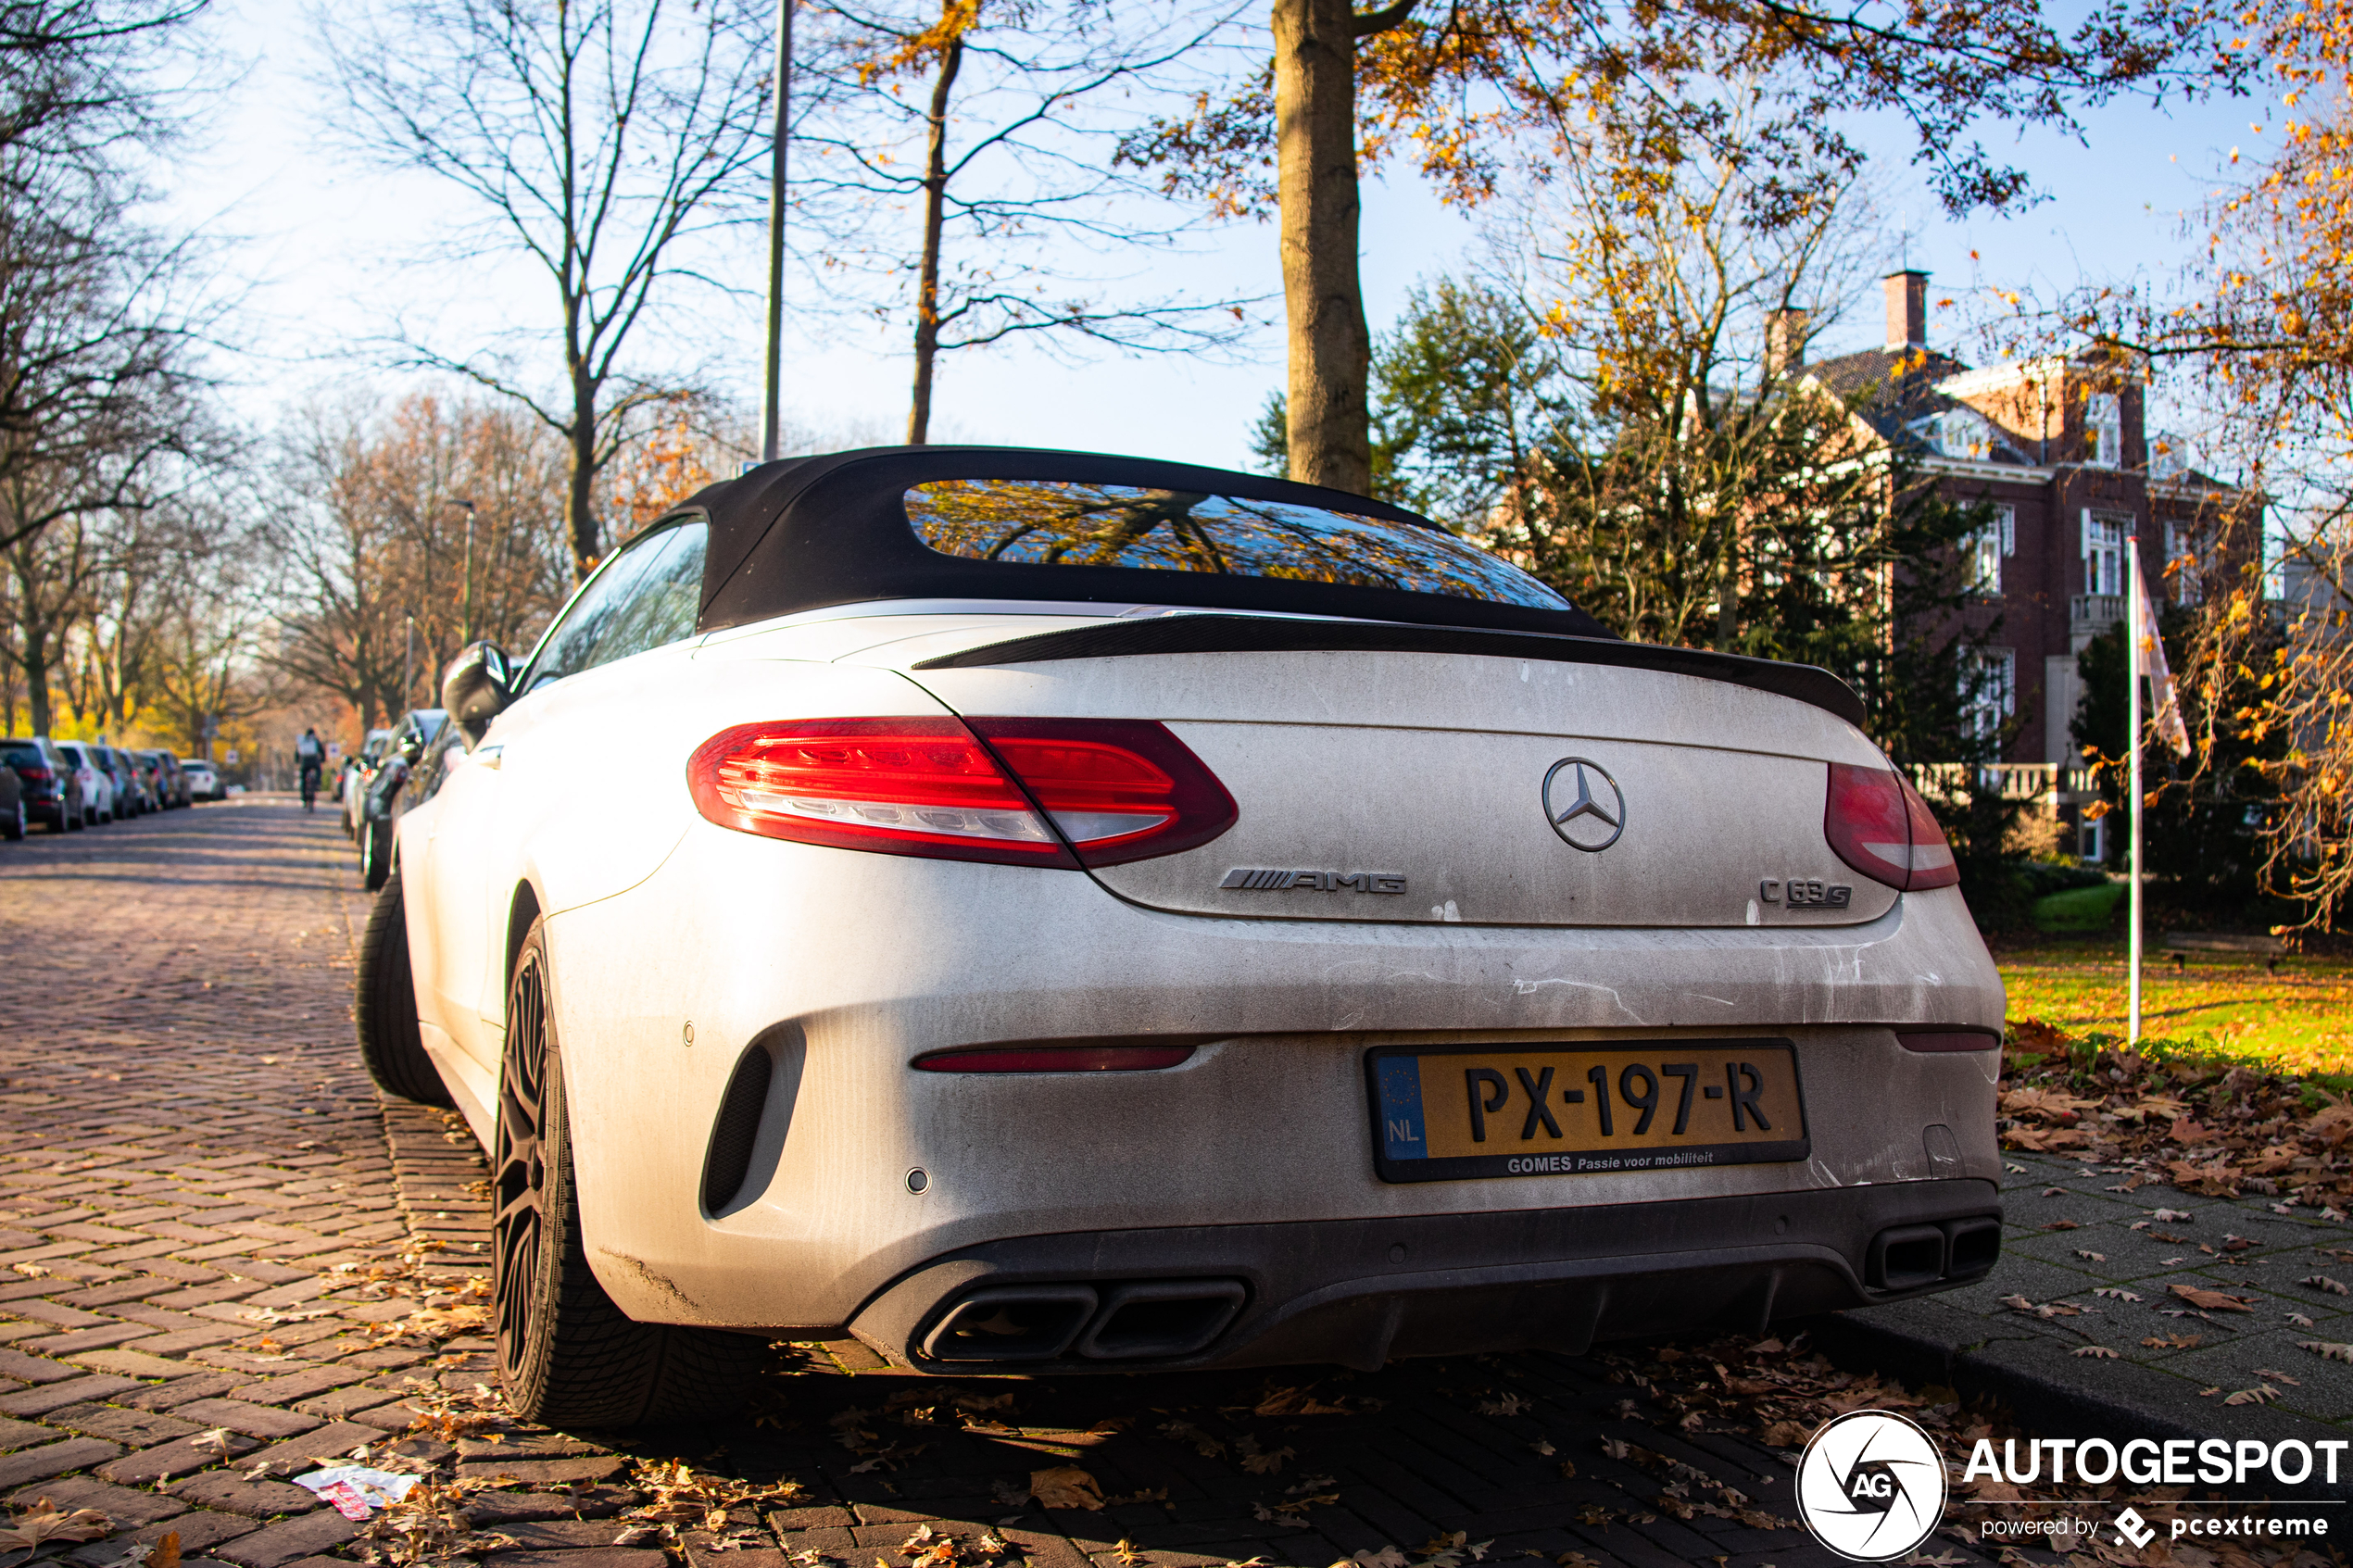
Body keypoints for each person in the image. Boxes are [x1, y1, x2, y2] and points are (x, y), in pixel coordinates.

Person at [296, 728, 324, 812]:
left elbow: (297, 752)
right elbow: (322, 751)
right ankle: (317, 783)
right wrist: (323, 759)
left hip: (305, 762)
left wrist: (297, 760)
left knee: (303, 779)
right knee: (319, 770)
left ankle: (303, 798)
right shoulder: (315, 740)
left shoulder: (303, 741)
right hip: (314, 761)